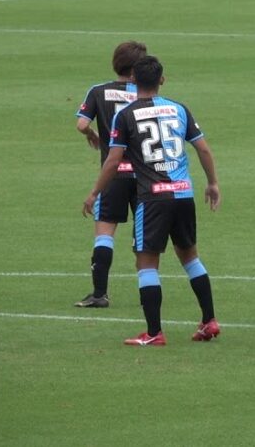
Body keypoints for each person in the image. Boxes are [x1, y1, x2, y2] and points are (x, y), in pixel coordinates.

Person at [82, 55, 221, 346]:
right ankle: (209, 321)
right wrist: (212, 183)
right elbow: (204, 150)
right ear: (162, 80)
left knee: (146, 265)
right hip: (183, 194)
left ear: (133, 80)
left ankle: (154, 333)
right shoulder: (179, 108)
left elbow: (113, 160)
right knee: (191, 258)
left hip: (153, 199)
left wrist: (95, 191)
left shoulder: (126, 115)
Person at [73, 41, 146, 308]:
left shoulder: (98, 91)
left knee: (105, 234)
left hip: (112, 175)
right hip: (143, 177)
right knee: (143, 238)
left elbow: (81, 124)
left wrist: (92, 134)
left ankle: (99, 293)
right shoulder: (145, 93)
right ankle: (147, 292)